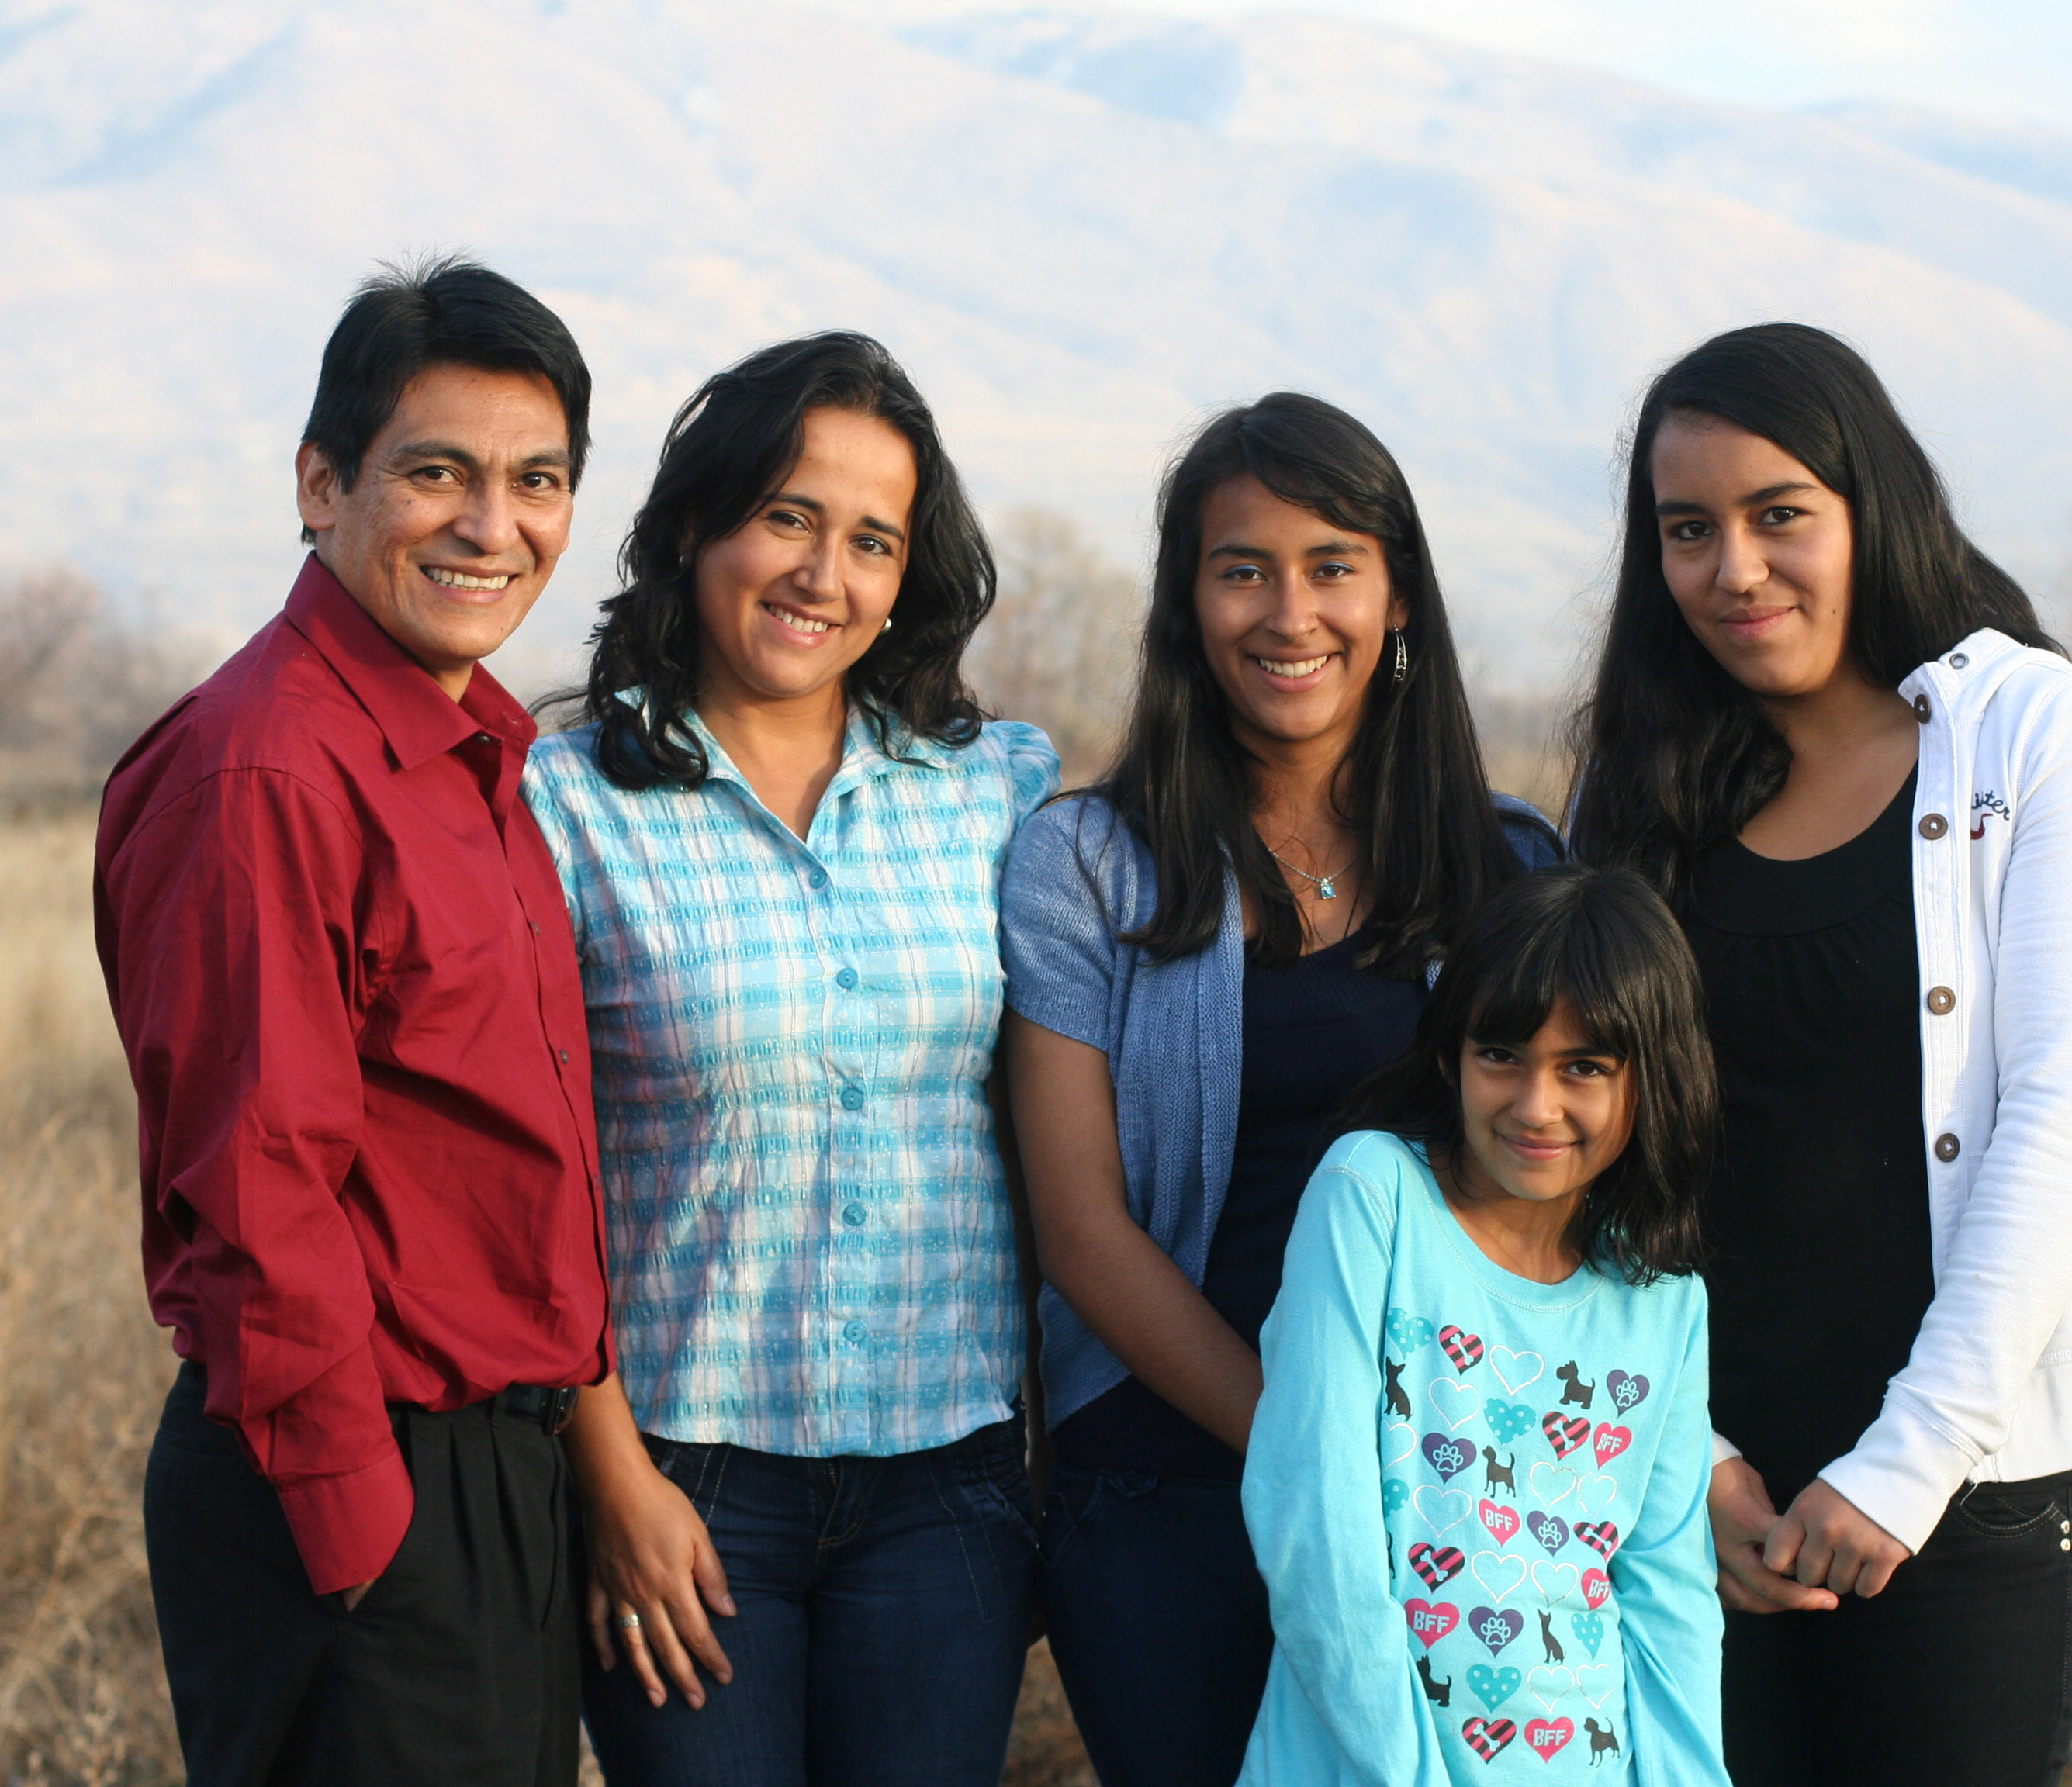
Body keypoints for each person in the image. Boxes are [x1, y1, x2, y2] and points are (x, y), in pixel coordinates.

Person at [1567, 322, 2072, 1786]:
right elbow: (1600, 1138)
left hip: (1960, 1496)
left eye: (1780, 516)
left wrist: (1901, 1469)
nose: (1734, 569)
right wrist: (1688, 1457)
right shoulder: (1646, 781)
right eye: (1687, 530)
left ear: (1868, 506)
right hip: (1702, 1496)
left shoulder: (2034, 734)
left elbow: (2065, 1121)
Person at [95, 256, 608, 1787]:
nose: (492, 526)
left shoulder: (465, 752)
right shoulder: (267, 768)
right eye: (435, 473)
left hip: (492, 1474)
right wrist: (360, 1531)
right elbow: (259, 1183)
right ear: (322, 485)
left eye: (538, 480)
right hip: (361, 1482)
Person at [519, 331, 1057, 1787]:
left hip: (949, 1478)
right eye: (788, 516)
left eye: (872, 539)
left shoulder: (996, 787)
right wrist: (609, 1472)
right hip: (684, 1477)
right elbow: (529, 1174)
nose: (826, 572)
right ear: (694, 527)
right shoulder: (561, 804)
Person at [1000, 392, 1561, 1787]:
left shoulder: (1513, 869)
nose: (1287, 610)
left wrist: (1423, 1466)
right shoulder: (1084, 864)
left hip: (1452, 1491)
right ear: (1187, 604)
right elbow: (1079, 1228)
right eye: (1241, 566)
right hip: (1165, 1481)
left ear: (1400, 599)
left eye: (1332, 564)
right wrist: (1314, 1445)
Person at [1237, 864, 1728, 1784]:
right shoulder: (1372, 1199)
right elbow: (1317, 1530)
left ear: (1651, 1082)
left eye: (1585, 1067)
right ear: (1448, 1057)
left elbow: (1669, 1600)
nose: (1536, 1106)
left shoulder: (1665, 1302)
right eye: (1502, 1055)